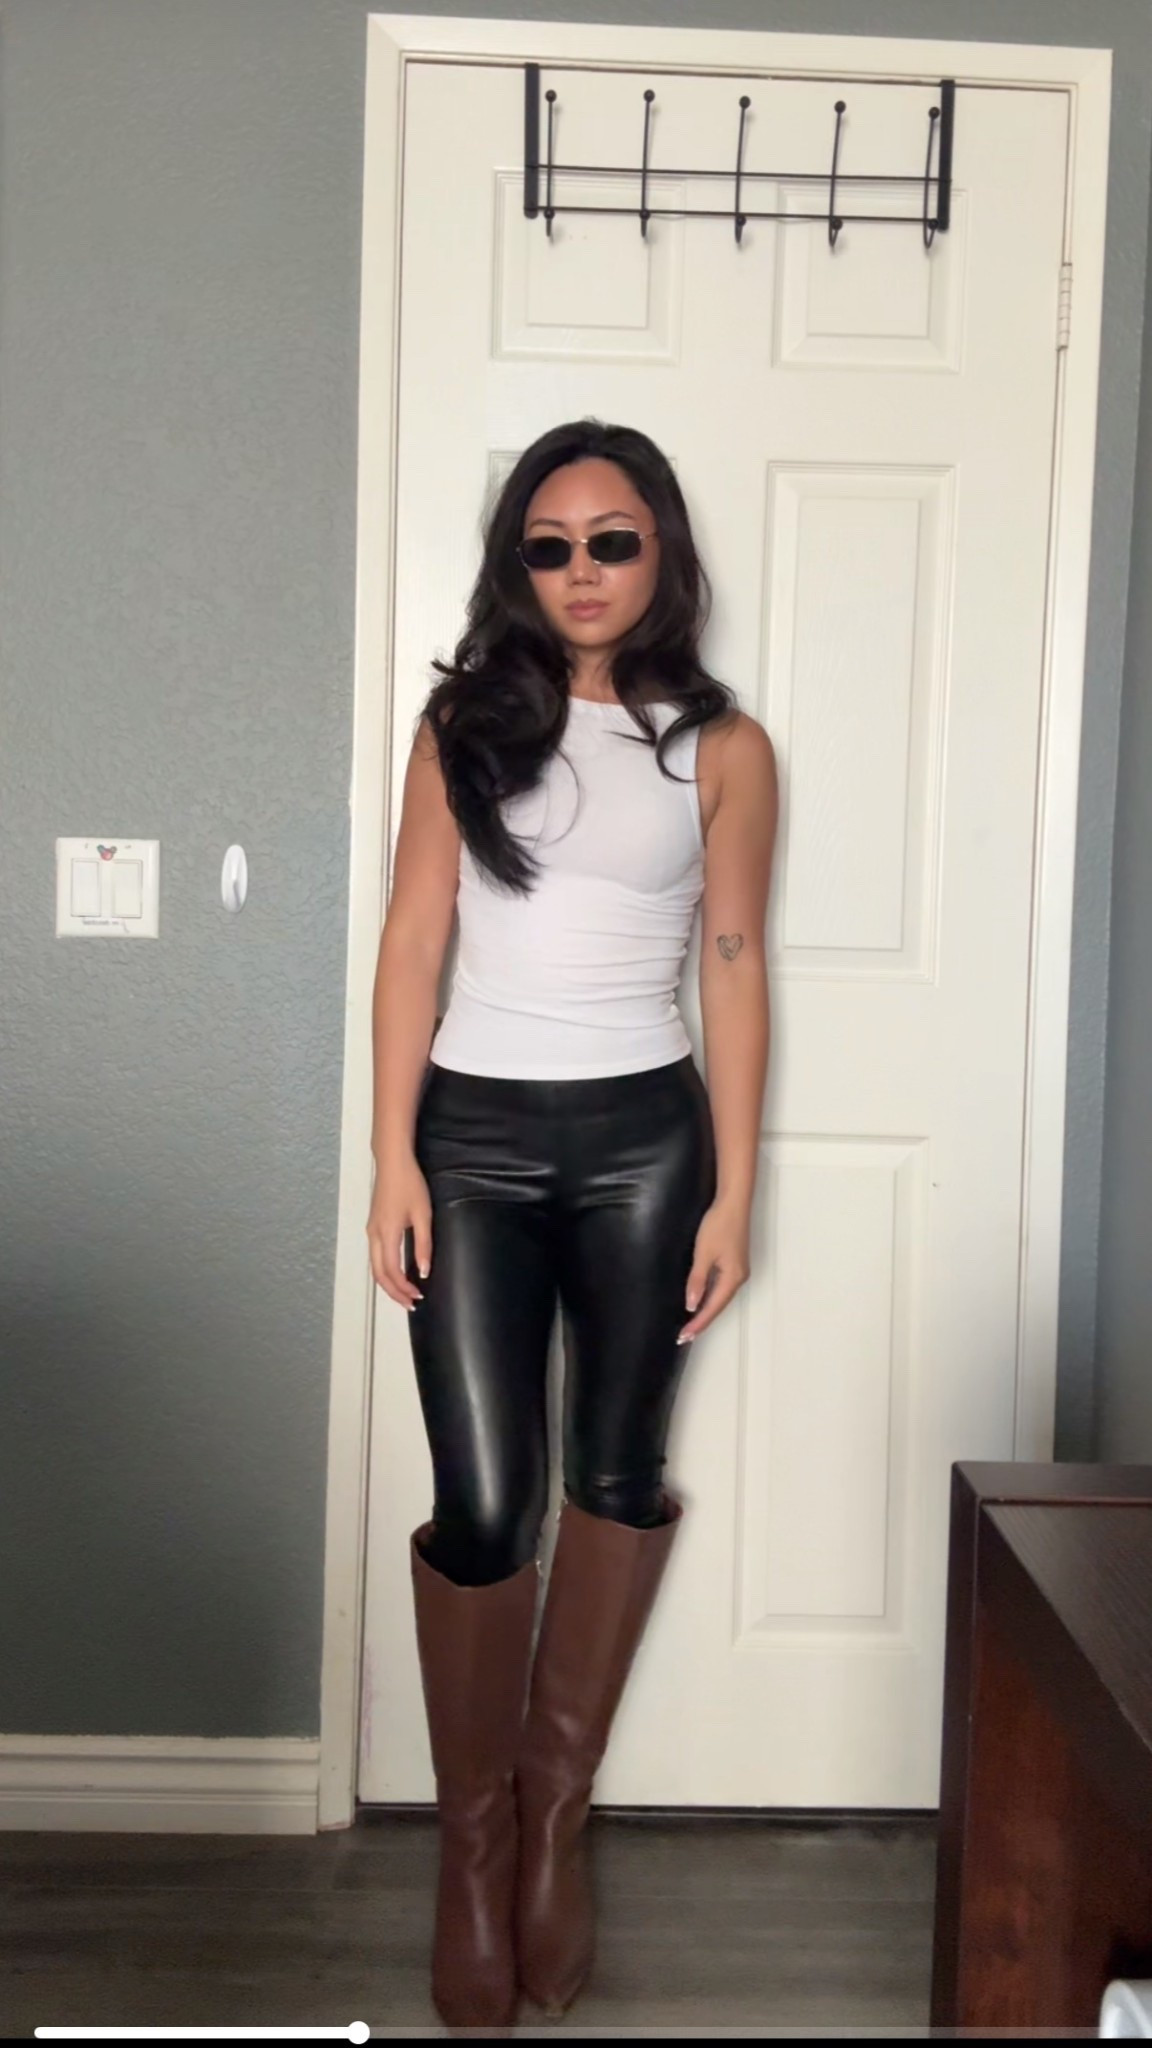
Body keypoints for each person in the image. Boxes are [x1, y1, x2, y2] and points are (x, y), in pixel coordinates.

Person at [366, 418, 778, 2030]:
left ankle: (557, 1825)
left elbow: (733, 962)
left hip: (642, 1149)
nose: (584, 570)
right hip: (469, 1142)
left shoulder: (722, 748)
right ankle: (474, 1848)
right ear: (515, 566)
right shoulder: (463, 727)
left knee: (611, 1476)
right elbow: (414, 939)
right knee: (485, 1506)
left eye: (613, 540)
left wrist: (734, 1187)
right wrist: (392, 1158)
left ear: (661, 550)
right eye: (549, 545)